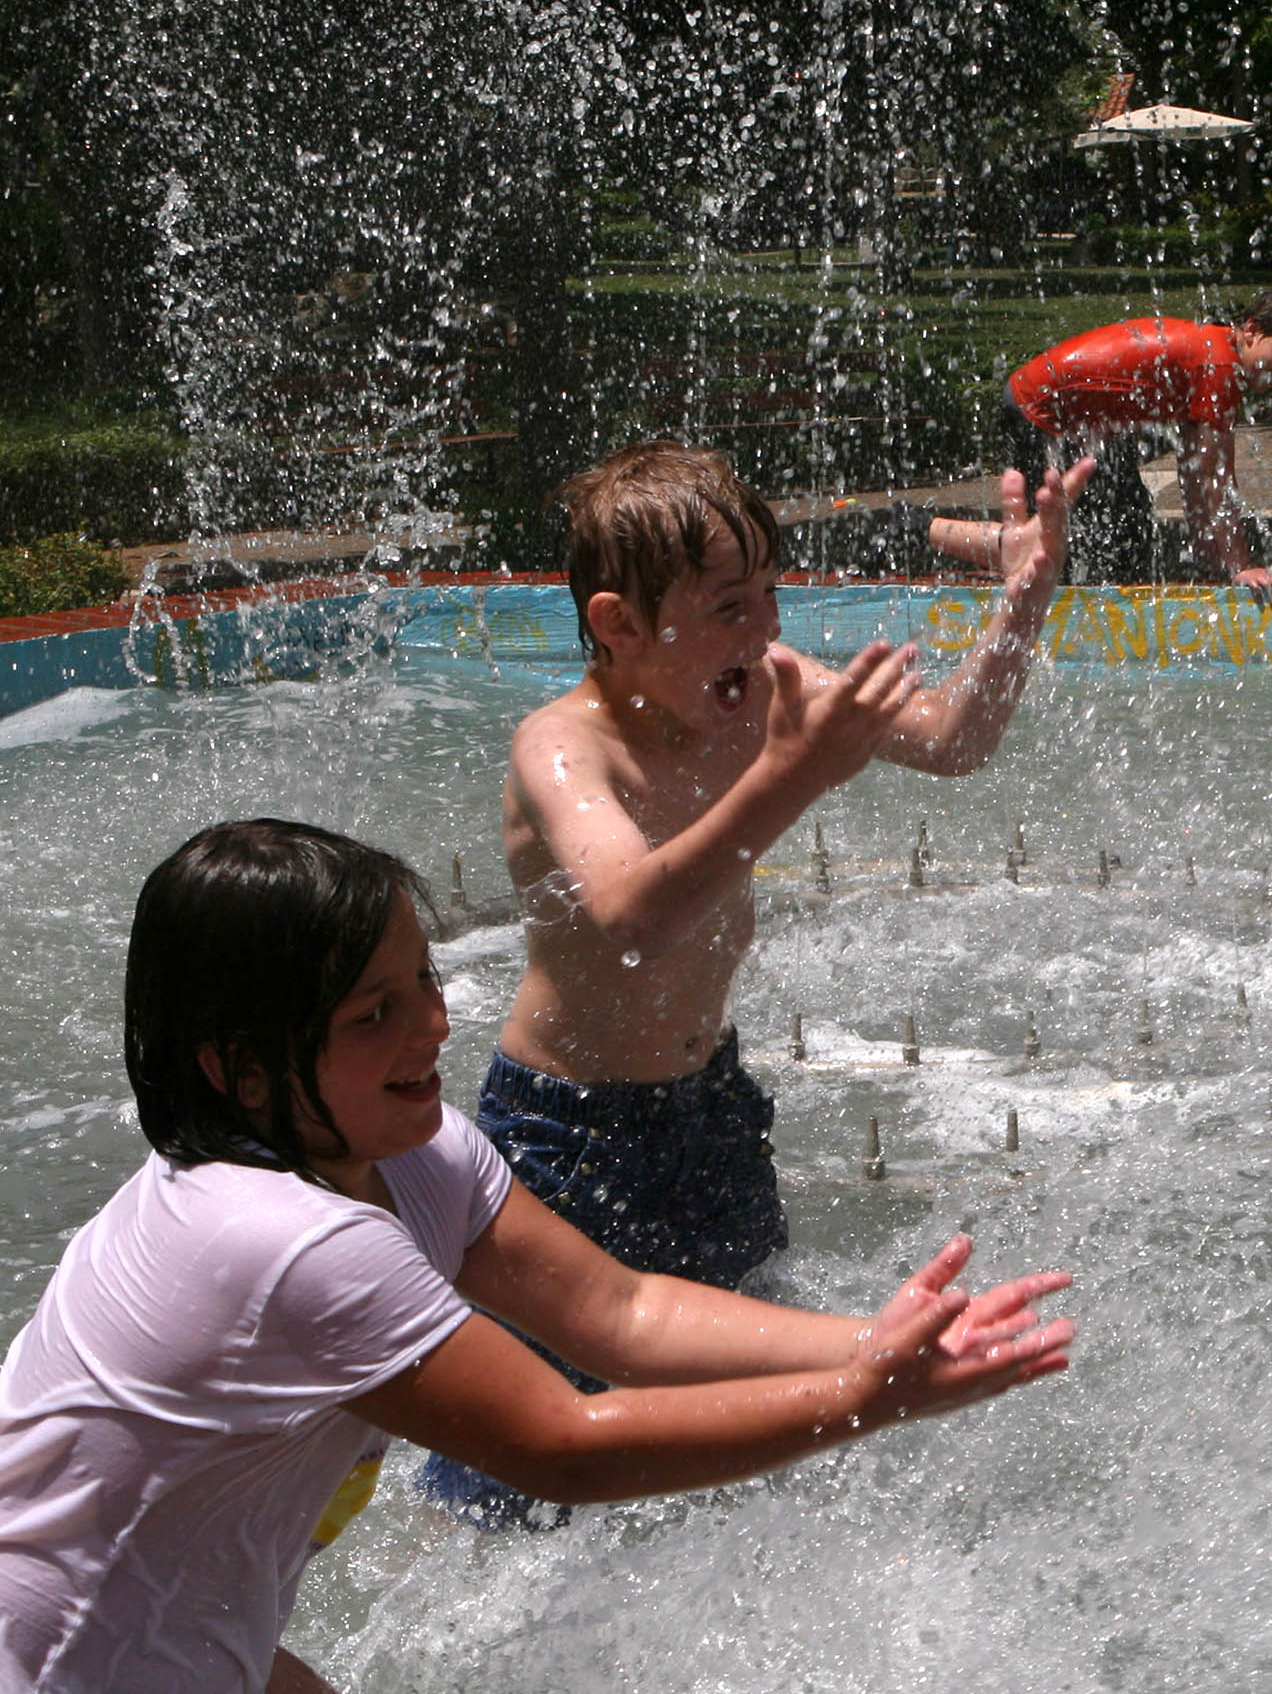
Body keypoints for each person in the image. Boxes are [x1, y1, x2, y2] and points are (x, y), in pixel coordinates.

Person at [0, 820, 1072, 1694]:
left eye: (423, 985)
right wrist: (862, 1406)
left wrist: (870, 1342)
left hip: (146, 1661)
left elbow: (619, 1311)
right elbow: (562, 1442)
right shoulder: (281, 1244)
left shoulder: (405, 1153)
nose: (432, 1028)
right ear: (236, 1069)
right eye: (370, 1016)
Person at [419, 439, 1087, 1528]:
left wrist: (1023, 599)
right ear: (619, 627)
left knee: (742, 1429)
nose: (766, 632)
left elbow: (959, 742)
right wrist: (792, 774)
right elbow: (633, 917)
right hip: (564, 1140)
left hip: (709, 1109)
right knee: (524, 1476)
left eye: (771, 595)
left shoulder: (755, 698)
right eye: (730, 606)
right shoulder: (563, 749)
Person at [926, 288, 1272, 602]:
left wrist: (1212, 563)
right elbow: (1217, 486)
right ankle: (916, 527)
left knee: (1127, 536)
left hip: (1080, 422)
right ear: (1250, 330)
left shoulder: (1216, 355)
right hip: (1041, 412)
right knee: (1047, 547)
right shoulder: (1218, 367)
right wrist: (1241, 567)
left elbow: (1196, 477)